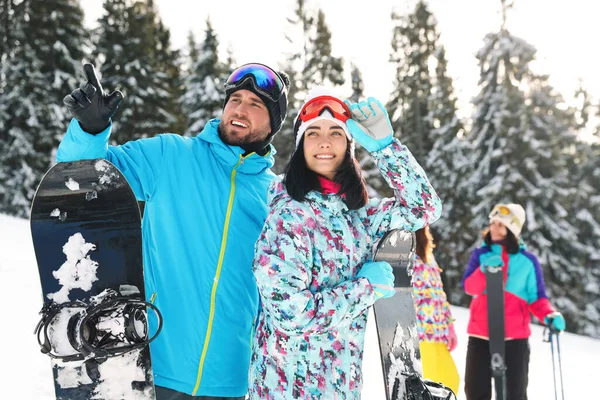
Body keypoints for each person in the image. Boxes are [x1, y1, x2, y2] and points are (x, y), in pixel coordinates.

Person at [58, 62, 290, 399]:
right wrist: (90, 130)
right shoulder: (171, 155)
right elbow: (85, 178)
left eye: (256, 105)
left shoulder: (277, 196)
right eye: (235, 99)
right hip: (153, 361)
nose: (241, 109)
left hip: (231, 377)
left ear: (273, 125)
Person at [247, 88, 442, 399]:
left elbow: (424, 208)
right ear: (300, 147)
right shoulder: (288, 217)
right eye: (313, 133)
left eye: (336, 132)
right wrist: (365, 288)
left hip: (342, 387)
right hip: (282, 390)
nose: (325, 141)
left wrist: (385, 149)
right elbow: (292, 314)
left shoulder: (361, 217)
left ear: (350, 146)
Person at [462, 203, 566, 400]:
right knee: (475, 393)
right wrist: (483, 270)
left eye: (501, 224)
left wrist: (549, 314)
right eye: (493, 223)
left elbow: (537, 298)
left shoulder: (528, 261)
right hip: (480, 338)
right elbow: (469, 287)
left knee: (514, 395)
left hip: (514, 341)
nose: (494, 227)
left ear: (512, 229)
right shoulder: (480, 254)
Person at [412, 226, 459, 394]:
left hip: (438, 333)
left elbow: (440, 295)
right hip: (421, 332)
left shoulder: (429, 257)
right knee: (430, 384)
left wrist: (449, 327)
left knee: (451, 379)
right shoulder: (407, 255)